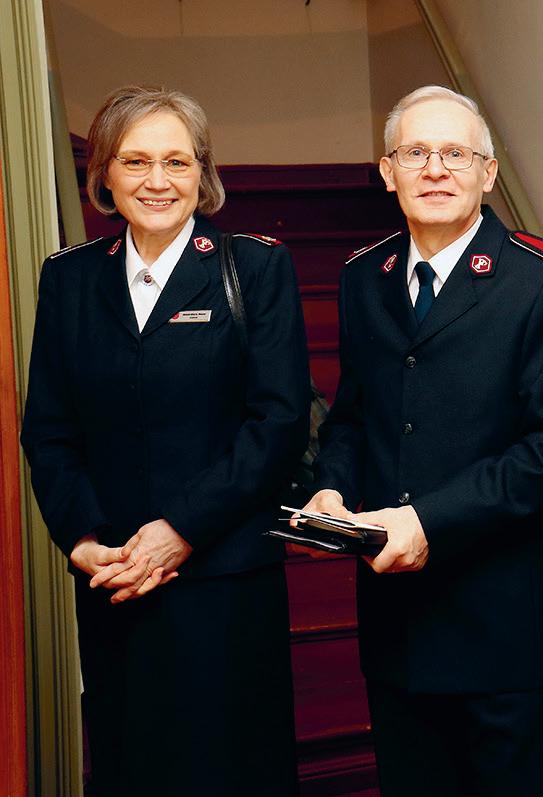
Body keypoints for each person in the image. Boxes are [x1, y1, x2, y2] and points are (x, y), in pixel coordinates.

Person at [20, 86, 309, 796]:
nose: (158, 180)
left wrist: (180, 529)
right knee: (132, 769)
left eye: (177, 161)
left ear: (202, 173)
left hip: (225, 586)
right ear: (105, 175)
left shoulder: (255, 268)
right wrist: (82, 539)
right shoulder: (69, 277)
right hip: (117, 584)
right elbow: (49, 429)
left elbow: (276, 424)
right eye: (136, 161)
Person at [300, 85, 543, 796]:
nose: (435, 169)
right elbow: (352, 416)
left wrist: (426, 520)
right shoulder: (363, 276)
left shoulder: (542, 277)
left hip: (505, 632)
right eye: (416, 153)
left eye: (455, 153)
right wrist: (330, 486)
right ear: (387, 171)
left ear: (487, 173)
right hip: (396, 629)